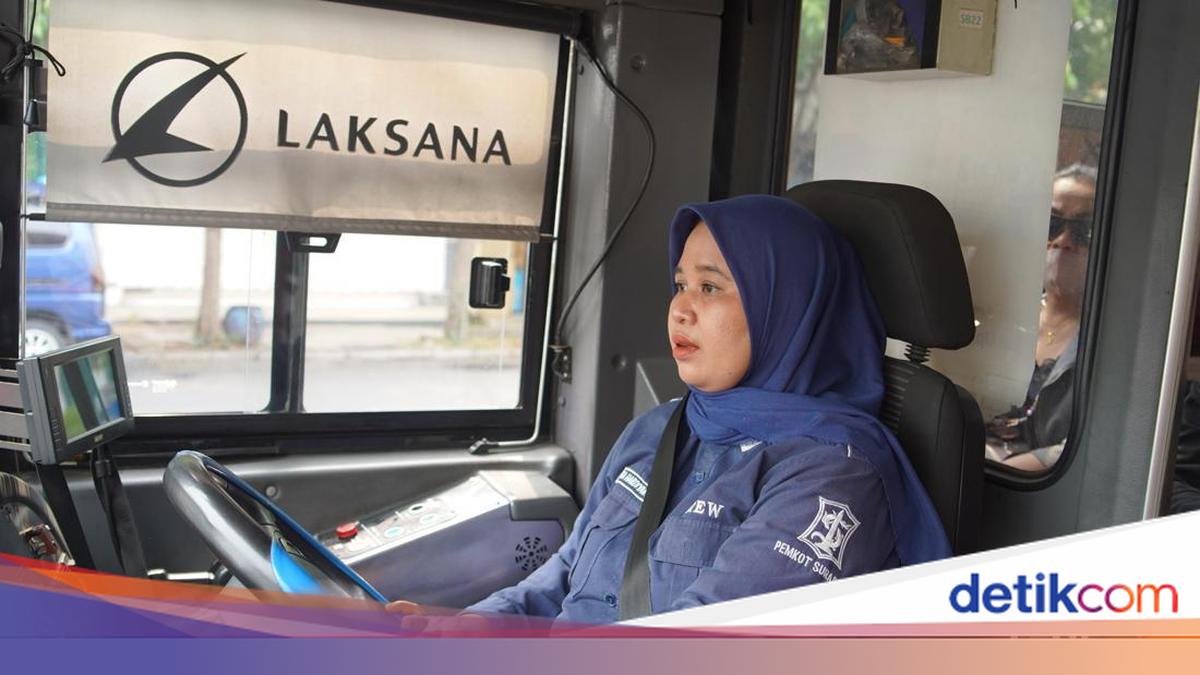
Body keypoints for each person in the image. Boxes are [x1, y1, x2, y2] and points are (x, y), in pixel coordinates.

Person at [395, 195, 951, 627]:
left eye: (711, 287)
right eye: (680, 283)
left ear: (784, 308)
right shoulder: (660, 428)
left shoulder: (834, 473)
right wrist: (466, 628)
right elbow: (563, 577)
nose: (680, 309)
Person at [988, 165, 1096, 471]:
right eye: (1052, 224)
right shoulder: (1000, 314)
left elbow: (1088, 448)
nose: (1063, 241)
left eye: (1083, 230)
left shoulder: (1111, 340)